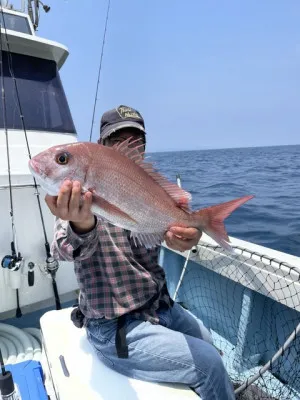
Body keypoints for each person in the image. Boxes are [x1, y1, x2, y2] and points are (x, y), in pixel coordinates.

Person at [45, 105, 235, 399]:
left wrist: (189, 235)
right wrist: (81, 224)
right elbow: (63, 248)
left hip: (160, 307)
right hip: (116, 327)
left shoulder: (146, 188)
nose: (129, 148)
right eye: (119, 141)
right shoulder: (77, 199)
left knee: (211, 344)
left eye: (137, 142)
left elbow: (174, 230)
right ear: (102, 146)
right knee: (209, 365)